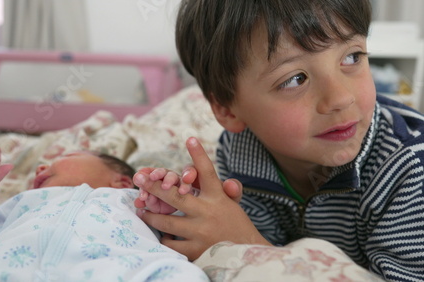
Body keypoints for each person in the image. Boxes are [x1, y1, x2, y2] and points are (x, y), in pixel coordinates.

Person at [133, 0, 424, 281]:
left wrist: (244, 244)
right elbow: (245, 234)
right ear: (226, 109)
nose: (340, 98)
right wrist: (190, 213)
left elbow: (247, 241)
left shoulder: (409, 169)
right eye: (295, 79)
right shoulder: (239, 152)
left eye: (352, 57)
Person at [0, 146, 208, 281]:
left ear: (121, 181)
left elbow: (191, 229)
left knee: (181, 274)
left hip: (114, 274)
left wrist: (172, 193)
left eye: (66, 157)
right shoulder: (22, 203)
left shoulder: (136, 202)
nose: (40, 168)